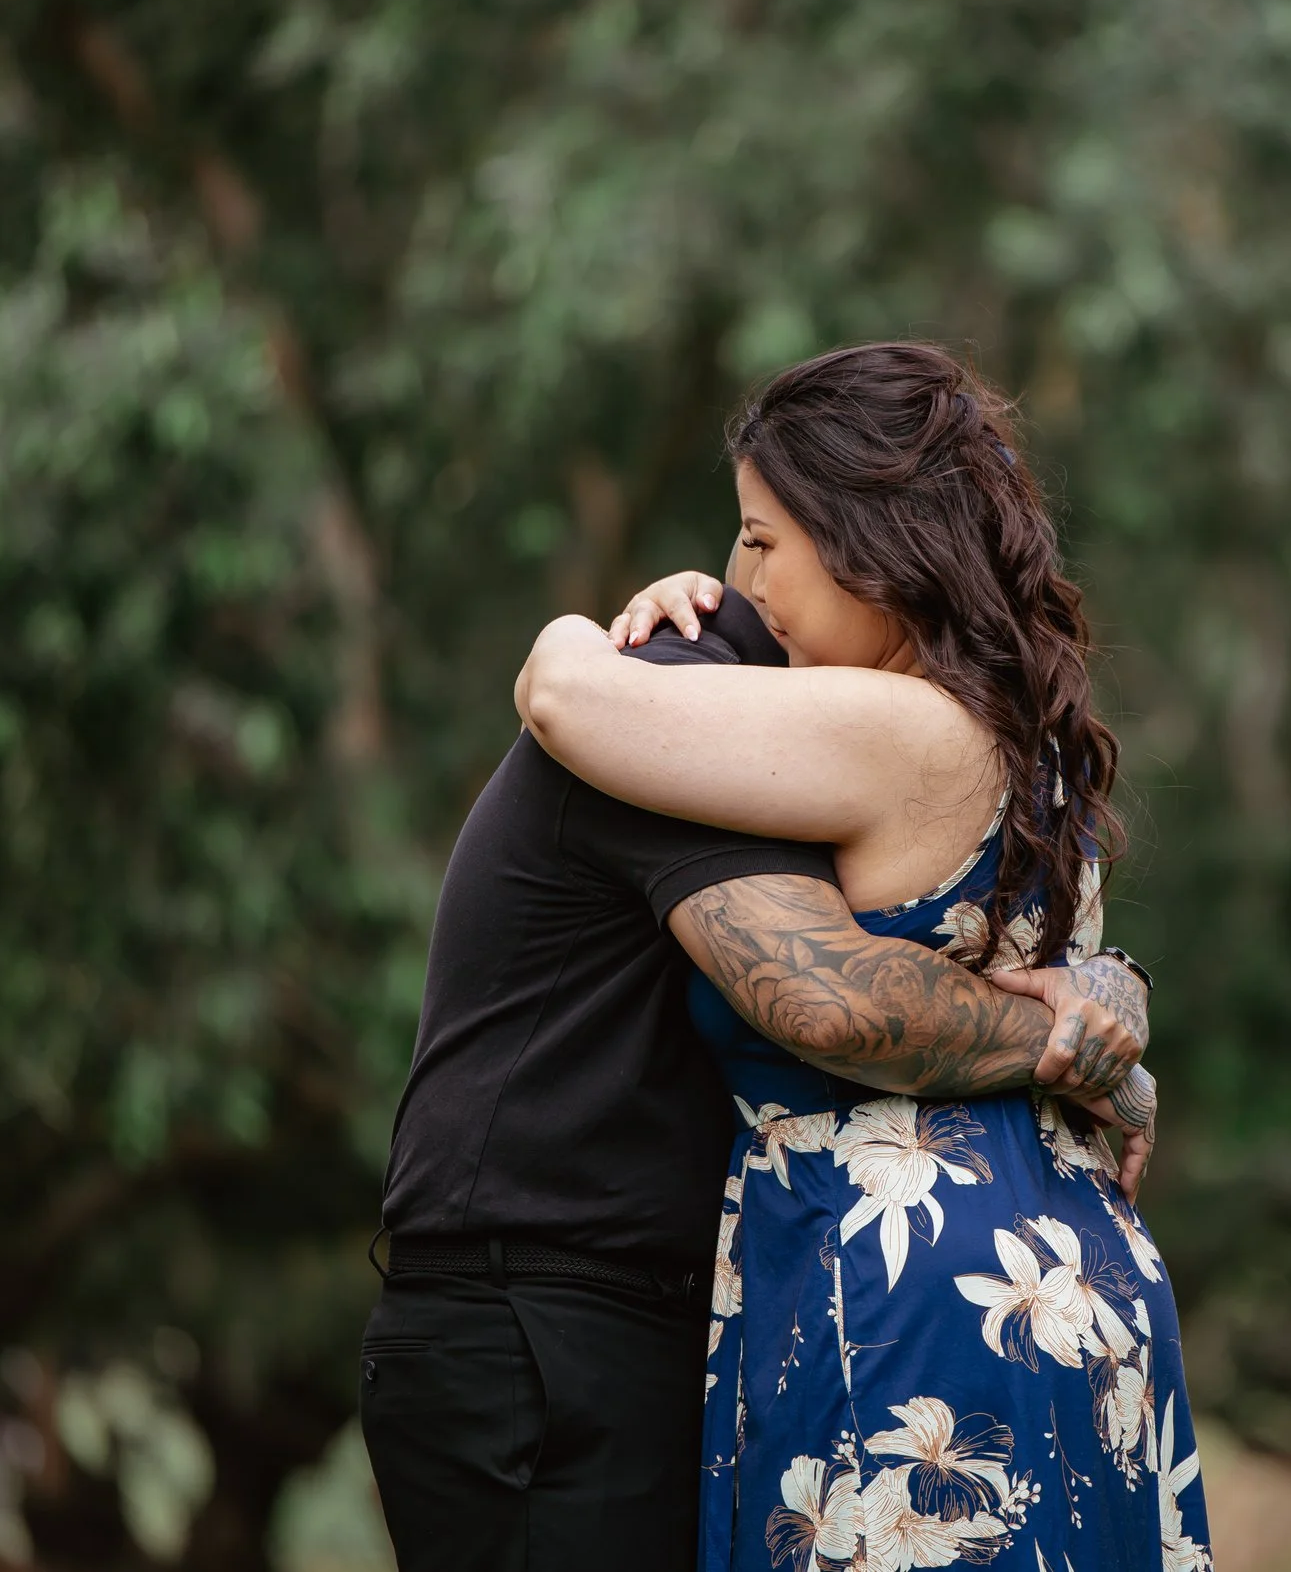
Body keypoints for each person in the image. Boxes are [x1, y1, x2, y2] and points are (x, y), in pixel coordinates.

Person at [517, 340, 1214, 1571]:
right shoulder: (1015, 736)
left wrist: (588, 627)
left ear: (870, 537)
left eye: (765, 539)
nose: (743, 574)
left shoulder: (886, 723)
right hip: (1065, 1272)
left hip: (901, 1292)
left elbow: (564, 702)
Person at [363, 579, 1153, 1572]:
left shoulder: (839, 741)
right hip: (539, 1318)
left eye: (766, 538)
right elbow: (837, 1003)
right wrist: (1076, 1054)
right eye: (745, 534)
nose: (740, 576)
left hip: (660, 1321)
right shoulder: (668, 715)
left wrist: (1107, 987)